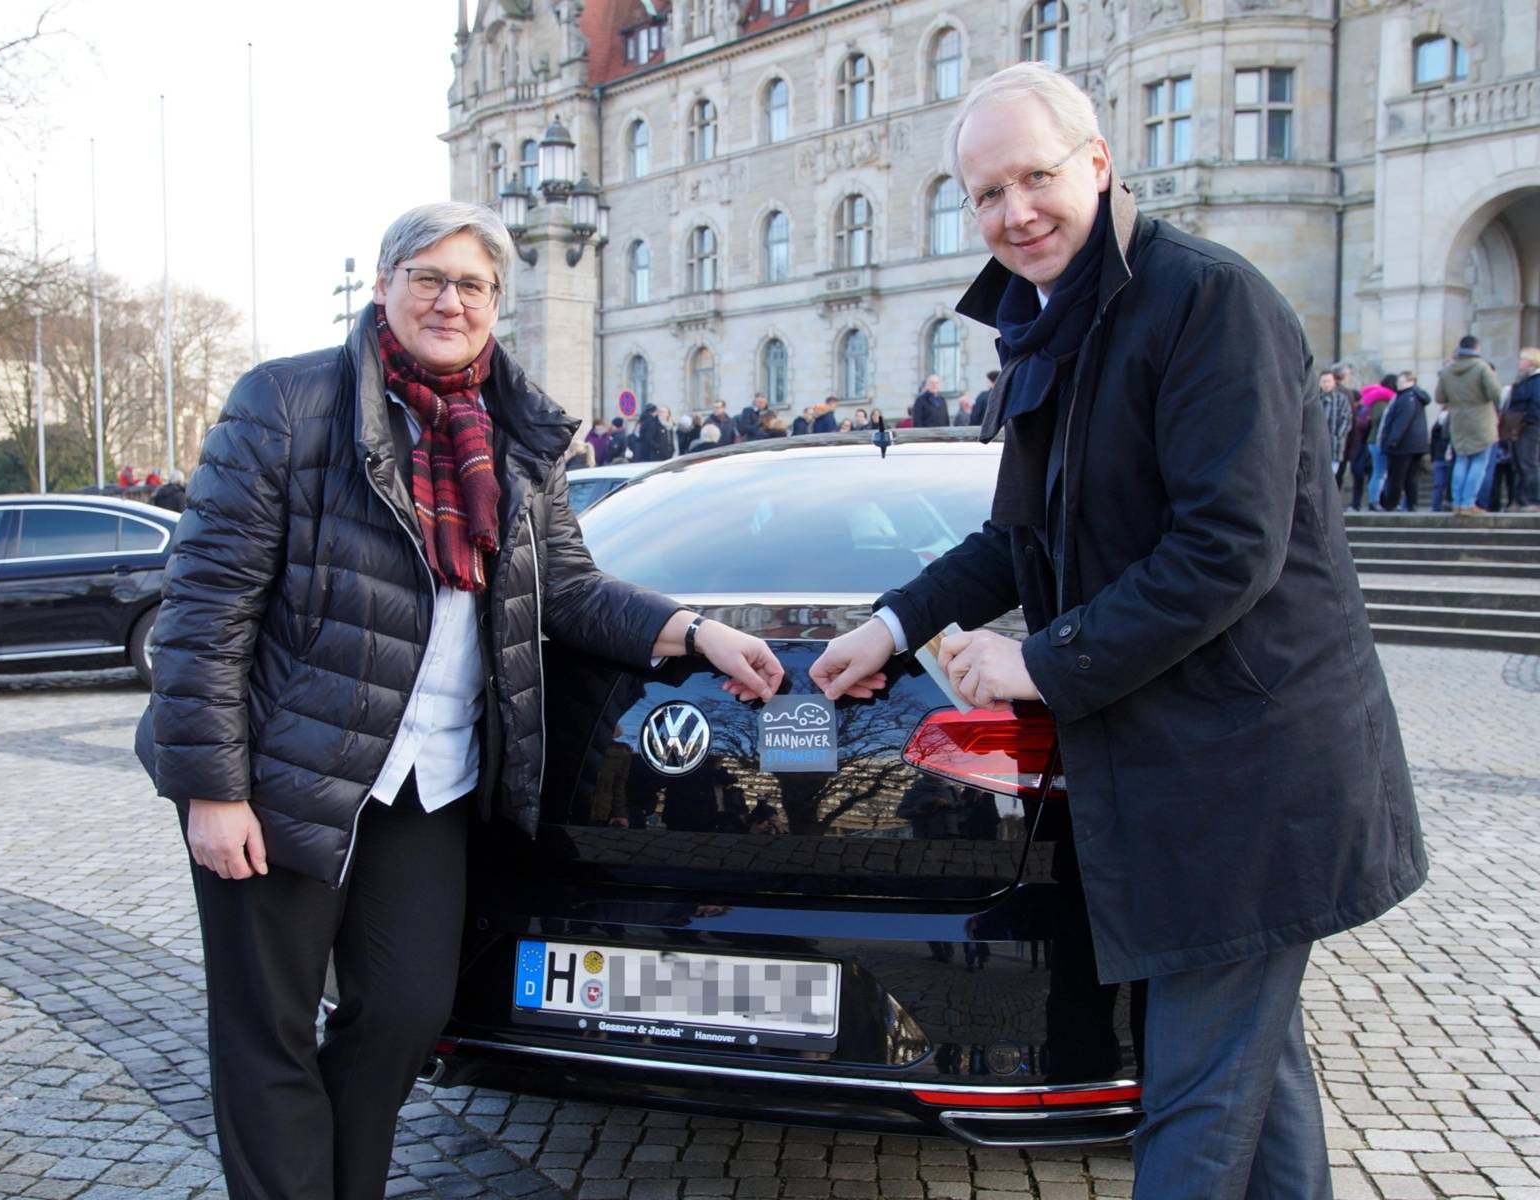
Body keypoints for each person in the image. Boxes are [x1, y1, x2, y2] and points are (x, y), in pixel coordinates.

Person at [808, 64, 1422, 1200]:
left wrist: (1033, 661)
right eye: (984, 194)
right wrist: (895, 625)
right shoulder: (1051, 316)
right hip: (1171, 765)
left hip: (1252, 772)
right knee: (1253, 1076)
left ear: (1098, 162)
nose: (1013, 213)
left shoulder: (1205, 298)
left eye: (1035, 177)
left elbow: (1226, 552)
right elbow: (1017, 541)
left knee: (1194, 1094)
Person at [133, 201, 784, 1200]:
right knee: (266, 1033)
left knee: (401, 1015)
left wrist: (694, 630)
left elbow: (566, 588)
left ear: (497, 304)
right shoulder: (287, 402)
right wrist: (211, 788)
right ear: (384, 284)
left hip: (429, 782)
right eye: (428, 277)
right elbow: (205, 606)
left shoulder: (515, 433)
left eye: (473, 284)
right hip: (285, 779)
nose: (450, 300)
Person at [1436, 335, 1501, 515]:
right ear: (1476, 348)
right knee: (1479, 462)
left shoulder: (1447, 371)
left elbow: (1440, 397)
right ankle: (1468, 503)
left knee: (1461, 460)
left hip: (1458, 421)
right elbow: (1495, 392)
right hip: (1482, 421)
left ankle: (1457, 502)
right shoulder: (1482, 367)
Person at [1377, 370, 1429, 512]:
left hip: (1403, 445)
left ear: (1411, 382)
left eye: (1402, 381)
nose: (1399, 384)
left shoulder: (1407, 398)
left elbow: (1401, 422)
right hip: (1415, 445)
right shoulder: (1415, 397)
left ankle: (1391, 504)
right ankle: (1412, 504)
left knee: (1397, 477)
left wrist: (1391, 441)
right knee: (1410, 477)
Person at [1511, 347, 1540, 511]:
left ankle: (1533, 500)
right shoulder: (1524, 380)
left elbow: (1537, 404)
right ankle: (1520, 499)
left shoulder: (1536, 381)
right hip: (1519, 426)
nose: (1519, 362)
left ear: (1531, 362)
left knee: (1529, 463)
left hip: (1530, 426)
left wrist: (1526, 421)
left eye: (1522, 359)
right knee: (1519, 464)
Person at [1360, 378, 1395, 510]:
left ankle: (1375, 499)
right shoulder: (1381, 403)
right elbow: (1381, 420)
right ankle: (1374, 500)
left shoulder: (1375, 402)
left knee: (1379, 472)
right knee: (1379, 472)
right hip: (1377, 440)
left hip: (1374, 440)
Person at [1317, 369, 1351, 488]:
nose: (1326, 384)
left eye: (1328, 381)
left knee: (1331, 475)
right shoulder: (1314, 399)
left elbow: (1346, 420)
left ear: (1334, 382)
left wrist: (1338, 435)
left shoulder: (1341, 399)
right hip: (1316, 444)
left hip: (1334, 443)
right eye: (1323, 381)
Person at [1428, 402, 1454, 512]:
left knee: (1438, 484)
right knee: (1446, 483)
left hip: (1439, 456)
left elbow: (1432, 443)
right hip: (1446, 456)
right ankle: (1441, 505)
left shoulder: (1437, 423)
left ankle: (1436, 506)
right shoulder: (1451, 421)